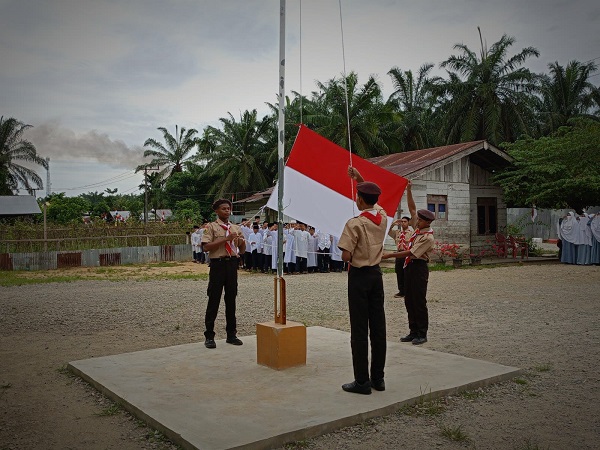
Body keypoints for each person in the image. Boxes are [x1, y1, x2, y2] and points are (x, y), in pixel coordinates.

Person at [337, 166, 388, 395]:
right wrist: (359, 178)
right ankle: (378, 378)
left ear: (358, 200)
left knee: (359, 329)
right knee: (379, 327)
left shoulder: (354, 223)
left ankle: (362, 381)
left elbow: (346, 255)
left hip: (358, 276)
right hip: (376, 275)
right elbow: (374, 203)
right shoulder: (382, 219)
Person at [382, 181, 435, 345]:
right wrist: (409, 191)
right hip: (409, 267)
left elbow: (412, 253)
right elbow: (412, 209)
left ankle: (422, 332)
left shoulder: (427, 237)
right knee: (409, 299)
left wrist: (388, 255)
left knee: (418, 300)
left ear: (427, 222)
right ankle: (413, 331)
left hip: (418, 267)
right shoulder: (417, 231)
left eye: (419, 220)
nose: (416, 221)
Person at [201, 198, 246, 349]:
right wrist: (226, 239)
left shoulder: (235, 228)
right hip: (218, 265)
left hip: (232, 264)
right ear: (216, 211)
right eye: (224, 209)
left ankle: (231, 334)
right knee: (214, 299)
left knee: (231, 299)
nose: (227, 211)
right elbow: (206, 247)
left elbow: (242, 249)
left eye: (228, 208)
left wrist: (241, 240)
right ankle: (209, 335)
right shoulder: (211, 227)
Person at [388, 216, 413, 298]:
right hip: (399, 254)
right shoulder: (397, 232)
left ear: (408, 222)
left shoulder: (412, 233)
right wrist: (393, 224)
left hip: (407, 254)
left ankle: (408, 291)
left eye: (405, 221)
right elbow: (387, 231)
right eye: (402, 221)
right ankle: (401, 291)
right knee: (399, 272)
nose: (403, 223)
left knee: (407, 273)